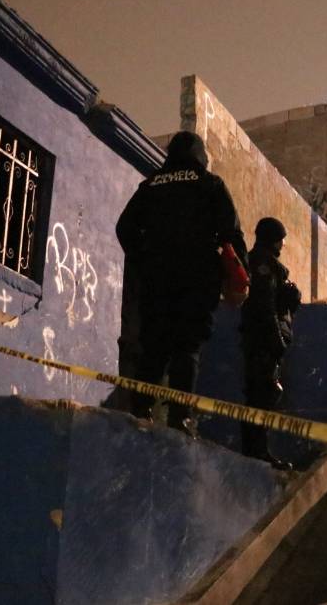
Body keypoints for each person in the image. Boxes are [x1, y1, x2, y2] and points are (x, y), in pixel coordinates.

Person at [115, 130, 247, 436]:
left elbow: (124, 227)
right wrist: (240, 273)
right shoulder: (210, 184)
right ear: (200, 155)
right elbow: (231, 233)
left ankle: (140, 412)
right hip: (198, 280)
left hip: (156, 280)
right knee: (187, 347)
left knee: (153, 346)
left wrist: (143, 258)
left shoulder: (150, 185)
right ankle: (180, 418)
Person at [241, 217, 300, 470]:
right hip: (264, 342)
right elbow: (265, 307)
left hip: (263, 340)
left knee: (264, 394)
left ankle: (258, 450)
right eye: (281, 239)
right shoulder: (264, 264)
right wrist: (276, 340)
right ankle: (257, 452)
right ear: (274, 239)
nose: (283, 244)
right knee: (263, 394)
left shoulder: (262, 262)